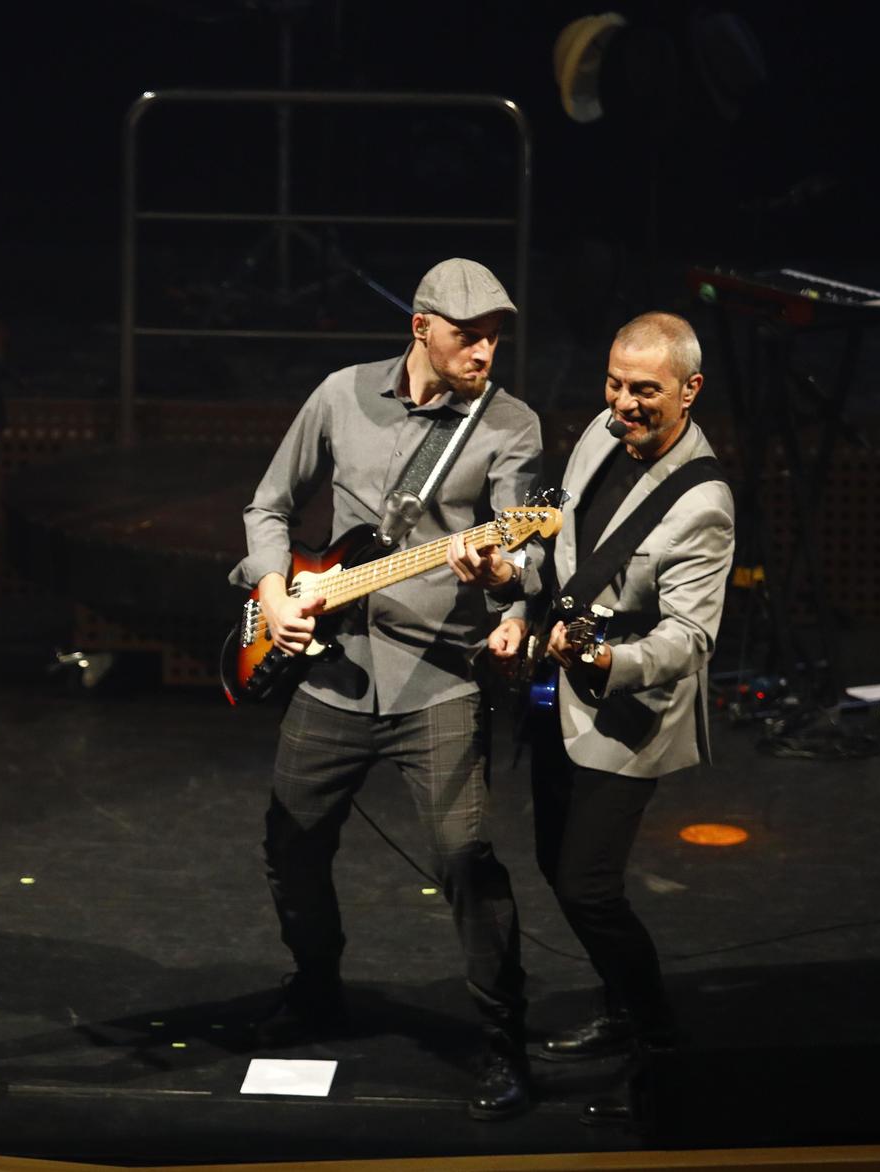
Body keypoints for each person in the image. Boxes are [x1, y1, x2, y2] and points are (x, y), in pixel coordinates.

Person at [230, 258, 544, 1120]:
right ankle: (316, 981)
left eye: (494, 334)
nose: (485, 349)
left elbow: (531, 551)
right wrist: (272, 591)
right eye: (467, 333)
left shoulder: (509, 424)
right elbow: (268, 506)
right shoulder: (340, 395)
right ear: (421, 328)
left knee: (464, 862)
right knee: (290, 844)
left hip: (438, 679)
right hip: (330, 669)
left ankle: (504, 1039)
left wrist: (503, 564)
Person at [527, 312, 733, 1124]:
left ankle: (654, 1036)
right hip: (556, 689)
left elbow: (691, 638)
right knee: (555, 867)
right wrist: (508, 573)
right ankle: (618, 1005)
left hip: (628, 710)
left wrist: (609, 663)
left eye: (644, 390)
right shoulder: (597, 434)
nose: (623, 404)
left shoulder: (703, 501)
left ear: (690, 391)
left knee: (588, 885)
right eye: (614, 384)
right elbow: (558, 544)